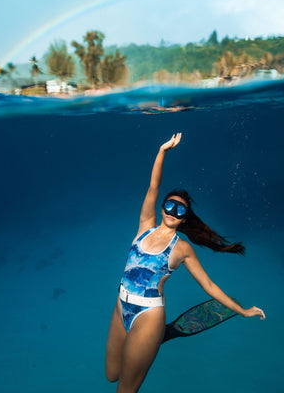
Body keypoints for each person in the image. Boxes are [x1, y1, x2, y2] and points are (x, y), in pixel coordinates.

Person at [105, 133, 265, 392]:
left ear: (184, 219)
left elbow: (209, 286)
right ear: (162, 208)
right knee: (111, 374)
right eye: (170, 205)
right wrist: (162, 151)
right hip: (120, 307)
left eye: (180, 210)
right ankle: (162, 337)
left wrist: (243, 311)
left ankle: (155, 336)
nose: (172, 212)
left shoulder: (182, 248)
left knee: (124, 388)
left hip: (148, 317)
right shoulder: (145, 226)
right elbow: (153, 188)